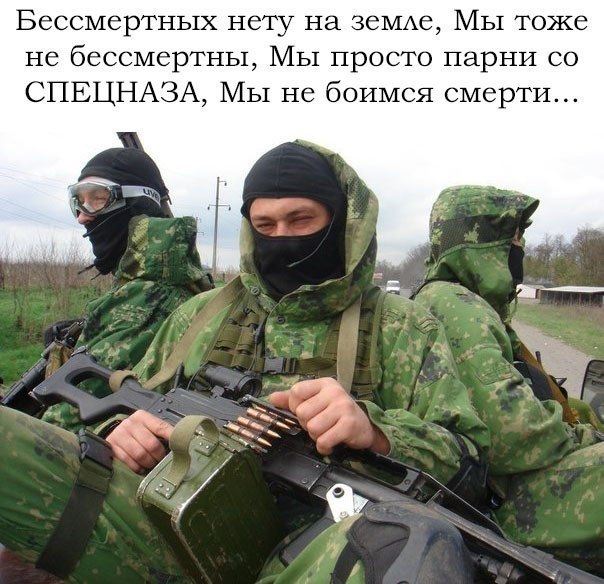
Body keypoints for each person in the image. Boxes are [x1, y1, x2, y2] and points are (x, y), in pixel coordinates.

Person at [0, 141, 489, 583]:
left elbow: (469, 467)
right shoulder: (200, 314)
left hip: (315, 559)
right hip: (165, 531)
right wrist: (120, 433)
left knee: (418, 545)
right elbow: (133, 403)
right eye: (265, 226)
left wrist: (377, 432)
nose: (282, 238)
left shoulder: (403, 328)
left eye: (302, 221)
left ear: (341, 222)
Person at [413, 185, 604, 574]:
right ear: (482, 243)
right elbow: (513, 434)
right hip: (506, 507)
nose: (520, 247)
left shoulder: (449, 299)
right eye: (513, 238)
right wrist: (587, 439)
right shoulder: (457, 306)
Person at [40, 147, 214, 431]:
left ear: (139, 204)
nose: (83, 216)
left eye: (97, 199)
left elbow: (59, 428)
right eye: (79, 202)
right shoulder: (149, 284)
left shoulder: (149, 298)